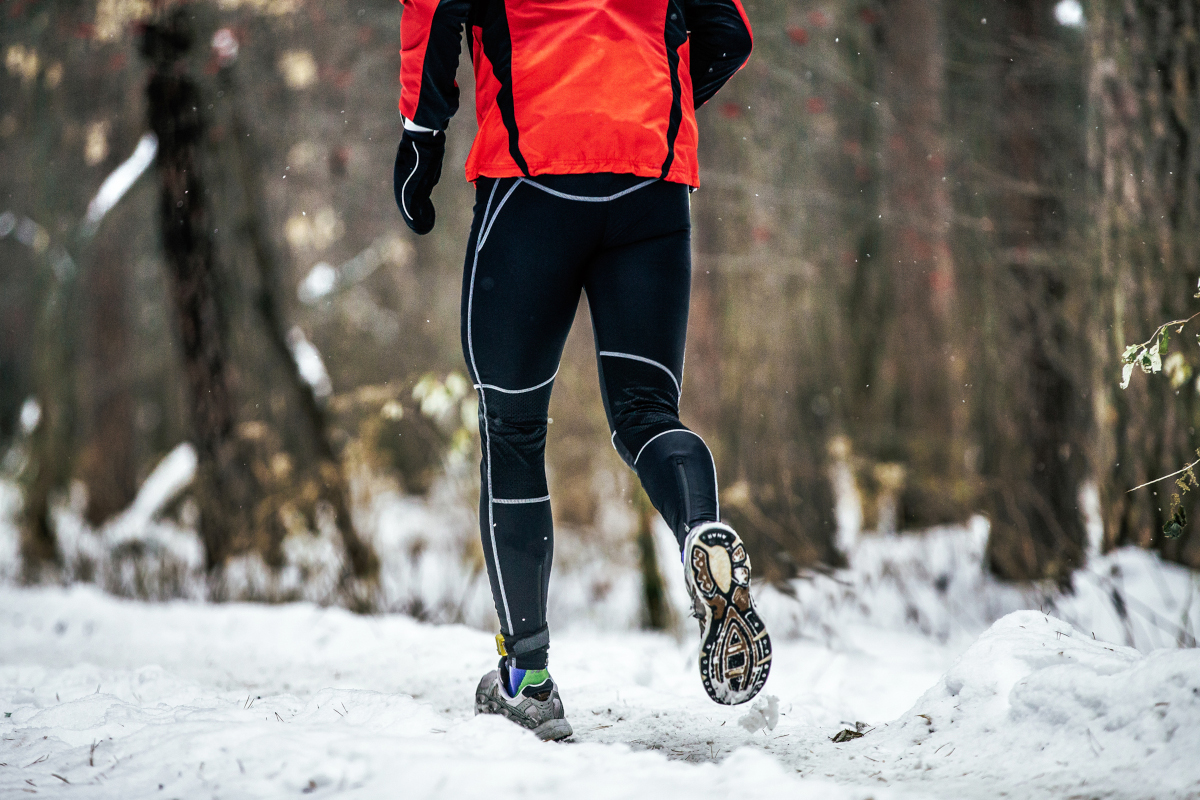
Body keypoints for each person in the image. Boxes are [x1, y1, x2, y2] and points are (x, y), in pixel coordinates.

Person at [394, 0, 768, 741]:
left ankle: (527, 679)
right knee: (648, 413)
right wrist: (644, 101)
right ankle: (701, 532)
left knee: (513, 427)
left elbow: (433, 11)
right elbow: (731, 34)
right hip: (649, 179)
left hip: (533, 182)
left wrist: (420, 138)